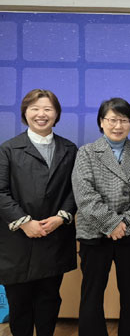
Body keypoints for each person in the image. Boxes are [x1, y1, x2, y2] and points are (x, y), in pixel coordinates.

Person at [72, 98, 130, 336]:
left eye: (124, 120)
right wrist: (110, 224)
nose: (118, 126)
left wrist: (124, 224)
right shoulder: (86, 152)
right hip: (95, 233)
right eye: (112, 120)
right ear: (101, 122)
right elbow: (85, 195)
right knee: (92, 293)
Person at [0, 89, 77, 336]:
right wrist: (24, 222)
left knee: (49, 300)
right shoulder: (8, 149)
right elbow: (1, 191)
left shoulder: (69, 149)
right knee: (19, 303)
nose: (41, 114)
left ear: (56, 114)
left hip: (54, 236)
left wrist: (61, 217)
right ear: (25, 113)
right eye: (34, 109)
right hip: (17, 240)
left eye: (47, 109)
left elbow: (76, 190)